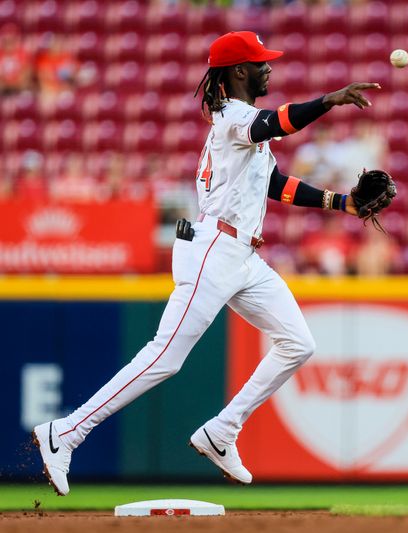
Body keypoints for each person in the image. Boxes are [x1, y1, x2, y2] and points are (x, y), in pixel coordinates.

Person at [32, 31, 380, 496]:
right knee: (164, 357)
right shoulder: (234, 117)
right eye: (261, 62)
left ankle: (222, 431)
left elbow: (274, 184)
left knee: (297, 343)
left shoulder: (239, 125)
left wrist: (343, 204)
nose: (269, 67)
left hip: (242, 256)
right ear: (240, 71)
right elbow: (275, 123)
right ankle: (65, 433)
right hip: (213, 250)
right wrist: (328, 101)